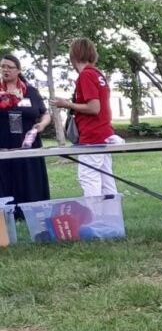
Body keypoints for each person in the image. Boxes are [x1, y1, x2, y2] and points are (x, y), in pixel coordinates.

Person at [50, 38, 121, 197]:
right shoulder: (97, 74)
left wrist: (68, 104)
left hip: (92, 135)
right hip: (103, 133)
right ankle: (111, 217)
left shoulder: (86, 76)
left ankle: (96, 218)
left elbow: (94, 107)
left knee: (89, 178)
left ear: (74, 55)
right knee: (106, 178)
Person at [0, 53, 53, 209]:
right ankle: (7, 212)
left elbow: (45, 113)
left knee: (29, 179)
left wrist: (42, 125)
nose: (5, 70)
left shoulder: (30, 91)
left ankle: (31, 210)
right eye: (2, 66)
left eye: (9, 67)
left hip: (28, 145)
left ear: (18, 70)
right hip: (4, 145)